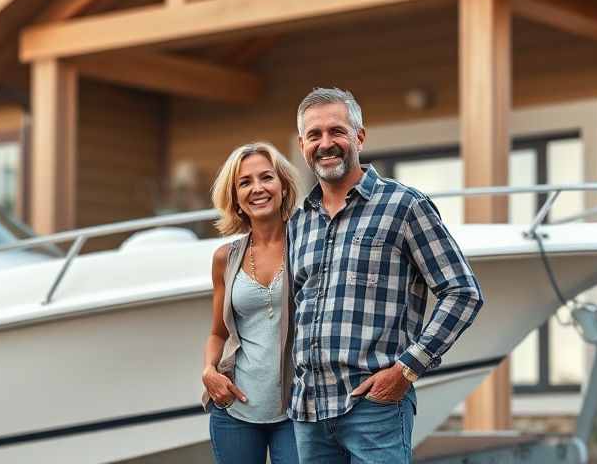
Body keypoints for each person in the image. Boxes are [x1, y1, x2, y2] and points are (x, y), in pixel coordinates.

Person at [288, 87, 484, 463]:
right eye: (314, 135)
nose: (326, 143)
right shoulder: (299, 223)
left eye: (337, 131)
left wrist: (407, 369)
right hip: (309, 412)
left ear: (359, 136)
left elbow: (463, 292)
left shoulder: (404, 206)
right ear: (302, 145)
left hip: (374, 408)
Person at [201, 143, 301, 464]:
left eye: (266, 178)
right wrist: (208, 371)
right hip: (234, 411)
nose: (257, 188)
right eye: (245, 182)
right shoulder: (224, 258)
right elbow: (218, 333)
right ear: (236, 198)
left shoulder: (308, 244)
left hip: (297, 409)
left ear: (283, 187)